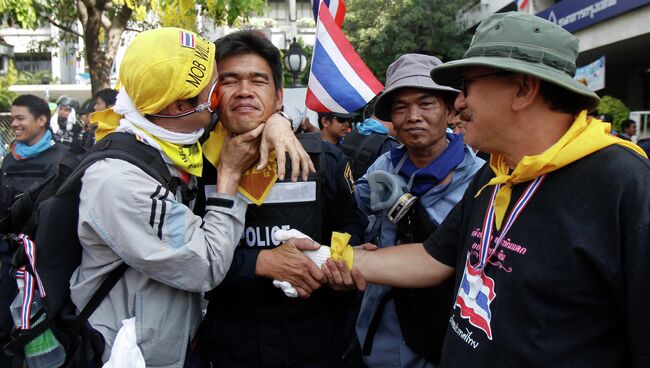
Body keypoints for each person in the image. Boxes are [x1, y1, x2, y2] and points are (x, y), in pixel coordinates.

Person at [321, 12, 650, 367]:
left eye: (468, 87)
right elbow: (432, 258)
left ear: (523, 89)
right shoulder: (496, 174)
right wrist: (327, 257)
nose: (458, 103)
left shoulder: (623, 185)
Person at [68, 27, 311, 368]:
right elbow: (206, 266)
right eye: (217, 88)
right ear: (182, 105)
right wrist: (228, 178)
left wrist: (281, 122)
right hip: (131, 356)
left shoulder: (174, 141)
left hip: (184, 347)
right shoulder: (119, 181)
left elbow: (270, 105)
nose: (232, 97)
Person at [198, 30, 365, 368]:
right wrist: (259, 262)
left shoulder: (323, 161)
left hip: (317, 346)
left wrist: (330, 261)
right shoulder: (194, 167)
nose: (244, 91)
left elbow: (353, 229)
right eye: (229, 81)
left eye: (257, 81)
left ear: (278, 97)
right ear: (214, 95)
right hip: (229, 349)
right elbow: (183, 258)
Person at [345, 54, 484, 368]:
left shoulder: (481, 182)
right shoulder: (383, 168)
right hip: (375, 343)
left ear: (450, 111)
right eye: (401, 107)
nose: (413, 117)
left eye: (426, 104)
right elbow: (350, 217)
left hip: (442, 348)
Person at [0, 94, 77, 365]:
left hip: (39, 266)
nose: (15, 123)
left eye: (20, 118)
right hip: (6, 261)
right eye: (12, 118)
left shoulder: (63, 160)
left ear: (42, 120)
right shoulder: (10, 159)